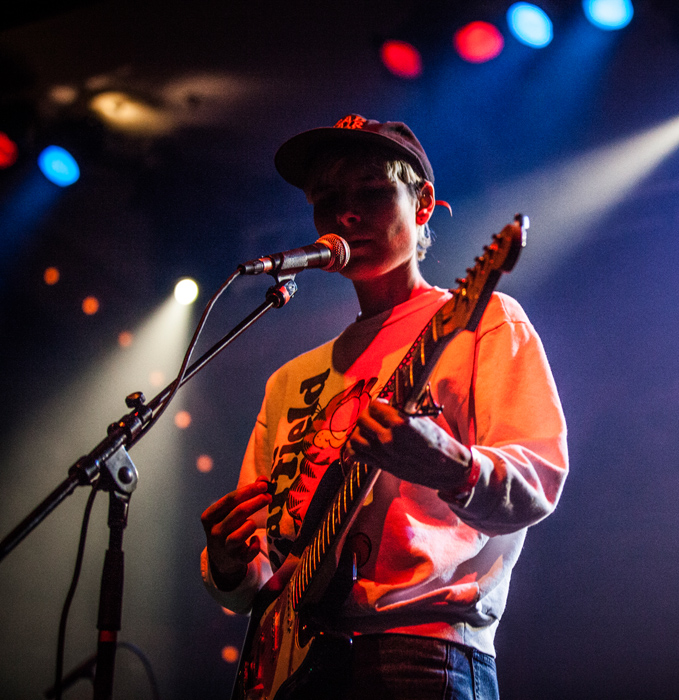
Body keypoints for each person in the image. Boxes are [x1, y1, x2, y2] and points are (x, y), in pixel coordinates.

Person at [199, 114, 569, 699]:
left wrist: (449, 465)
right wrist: (227, 563)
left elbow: (538, 485)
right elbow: (257, 578)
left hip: (422, 653)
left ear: (423, 204)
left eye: (372, 192)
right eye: (327, 199)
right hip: (291, 668)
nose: (347, 213)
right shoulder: (290, 380)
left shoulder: (483, 322)